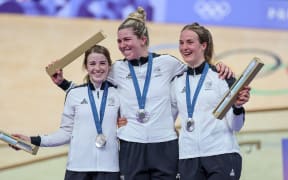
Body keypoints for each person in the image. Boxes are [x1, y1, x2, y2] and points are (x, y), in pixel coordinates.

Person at [49, 7, 234, 180]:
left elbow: (197, 70)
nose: (122, 45)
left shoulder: (168, 63)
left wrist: (218, 67)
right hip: (131, 146)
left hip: (165, 145)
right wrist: (63, 83)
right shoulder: (116, 69)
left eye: (127, 40)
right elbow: (91, 92)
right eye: (119, 41)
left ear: (143, 40)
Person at [12, 45, 121, 180]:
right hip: (77, 169)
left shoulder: (119, 94)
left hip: (110, 169)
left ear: (110, 66)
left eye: (103, 63)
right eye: (92, 63)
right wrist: (32, 140)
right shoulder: (74, 94)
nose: (97, 68)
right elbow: (65, 133)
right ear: (86, 67)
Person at [171, 22, 250, 180]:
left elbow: (236, 126)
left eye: (190, 42)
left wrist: (237, 107)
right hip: (188, 157)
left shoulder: (222, 77)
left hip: (222, 154)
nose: (184, 47)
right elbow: (166, 121)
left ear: (203, 45)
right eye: (181, 42)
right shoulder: (176, 81)